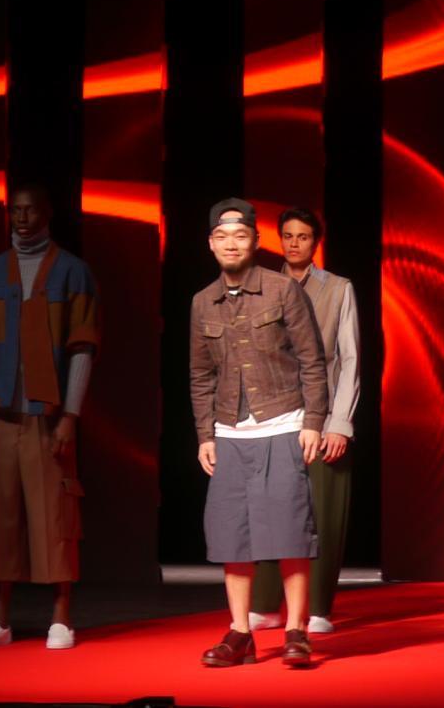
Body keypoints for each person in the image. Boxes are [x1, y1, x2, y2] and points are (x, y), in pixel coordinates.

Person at [0, 182, 99, 651]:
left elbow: (82, 348)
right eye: (15, 210)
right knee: (1, 518)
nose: (21, 218)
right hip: (0, 413)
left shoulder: (72, 273)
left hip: (47, 414)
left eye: (30, 210)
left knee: (54, 515)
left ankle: (61, 618)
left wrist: (71, 414)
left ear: (46, 213)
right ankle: (0, 621)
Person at [191, 199, 329, 667]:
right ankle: (240, 632)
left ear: (255, 241)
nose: (231, 244)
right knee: (233, 537)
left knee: (290, 531)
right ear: (211, 244)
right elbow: (200, 375)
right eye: (222, 236)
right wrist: (205, 434)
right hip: (229, 432)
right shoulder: (202, 301)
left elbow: (312, 360)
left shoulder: (282, 290)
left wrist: (313, 422)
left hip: (282, 423)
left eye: (240, 235)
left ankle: (296, 630)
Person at [249, 207, 359, 635]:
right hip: (274, 417)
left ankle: (317, 608)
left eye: (304, 236)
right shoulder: (262, 285)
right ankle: (266, 604)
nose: (295, 243)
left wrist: (340, 423)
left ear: (316, 242)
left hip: (324, 416)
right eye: (288, 236)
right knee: (269, 510)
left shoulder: (338, 289)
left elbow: (349, 359)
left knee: (322, 514)